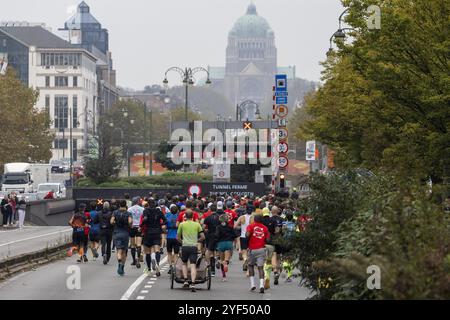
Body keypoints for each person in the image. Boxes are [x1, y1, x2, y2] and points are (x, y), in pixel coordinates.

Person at [177, 209, 205, 292]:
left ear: (185, 216)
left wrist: (182, 242)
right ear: (193, 216)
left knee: (184, 263)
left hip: (185, 246)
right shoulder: (197, 225)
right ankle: (193, 283)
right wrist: (197, 241)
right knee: (193, 265)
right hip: (193, 247)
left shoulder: (182, 224)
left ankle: (185, 281)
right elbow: (203, 237)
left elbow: (178, 237)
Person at [140, 199, 167, 276]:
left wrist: (141, 226)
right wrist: (161, 225)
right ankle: (157, 264)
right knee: (157, 250)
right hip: (157, 232)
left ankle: (149, 269)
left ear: (148, 204)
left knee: (147, 252)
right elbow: (165, 220)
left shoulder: (146, 211)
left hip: (148, 232)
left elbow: (144, 219)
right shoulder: (159, 211)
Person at [246, 214, 270, 294]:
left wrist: (248, 237)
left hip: (252, 249)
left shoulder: (251, 226)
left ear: (254, 220)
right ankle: (261, 285)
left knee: (250, 265)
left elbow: (247, 235)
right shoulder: (265, 228)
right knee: (260, 268)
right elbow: (268, 239)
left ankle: (252, 284)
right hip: (261, 249)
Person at [264, 206, 284, 288]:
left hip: (271, 240)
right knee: (279, 257)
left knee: (273, 255)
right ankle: (277, 273)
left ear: (271, 212)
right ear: (277, 211)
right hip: (280, 240)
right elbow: (284, 229)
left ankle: (275, 270)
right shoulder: (282, 219)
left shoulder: (269, 219)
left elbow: (268, 231)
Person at [110, 200, 132, 276]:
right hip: (125, 233)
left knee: (119, 250)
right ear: (125, 205)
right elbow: (130, 222)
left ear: (119, 205)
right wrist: (130, 225)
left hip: (117, 233)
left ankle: (119, 261)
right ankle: (122, 266)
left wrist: (115, 223)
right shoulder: (128, 213)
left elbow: (111, 221)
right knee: (124, 251)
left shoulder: (115, 212)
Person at [215, 213, 236, 282]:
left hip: (221, 243)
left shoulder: (218, 227)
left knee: (221, 259)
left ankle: (224, 276)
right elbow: (234, 235)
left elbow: (216, 236)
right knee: (226, 259)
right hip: (229, 243)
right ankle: (226, 262)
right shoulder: (230, 227)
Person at [202, 204, 220, 277]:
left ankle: (209, 265)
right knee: (217, 250)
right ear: (216, 209)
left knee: (209, 250)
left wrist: (205, 230)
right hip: (218, 235)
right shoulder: (219, 217)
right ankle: (217, 259)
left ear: (210, 209)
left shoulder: (208, 218)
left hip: (210, 235)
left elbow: (203, 227)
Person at [235, 205, 254, 273]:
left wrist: (242, 228)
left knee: (244, 251)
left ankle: (245, 259)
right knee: (250, 252)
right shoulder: (253, 218)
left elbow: (235, 226)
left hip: (243, 236)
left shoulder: (241, 217)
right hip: (251, 237)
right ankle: (248, 270)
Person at [128, 197, 144, 268]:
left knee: (132, 245)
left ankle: (134, 260)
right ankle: (138, 257)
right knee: (139, 244)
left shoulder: (130, 209)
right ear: (138, 201)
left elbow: (128, 219)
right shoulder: (142, 209)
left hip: (132, 227)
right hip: (139, 227)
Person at [166, 204, 180, 273]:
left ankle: (170, 266)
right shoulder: (179, 216)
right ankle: (175, 267)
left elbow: (164, 225)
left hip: (169, 236)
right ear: (177, 210)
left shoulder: (167, 215)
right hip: (177, 237)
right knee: (176, 253)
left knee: (169, 253)